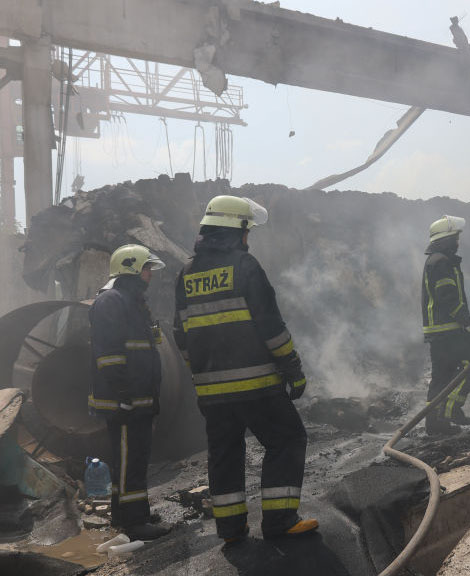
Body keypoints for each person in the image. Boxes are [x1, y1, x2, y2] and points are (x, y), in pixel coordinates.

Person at [173, 195, 317, 544]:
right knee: (287, 439)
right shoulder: (245, 266)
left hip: (211, 392)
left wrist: (202, 377)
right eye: (247, 230)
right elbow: (271, 328)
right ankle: (280, 520)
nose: (248, 237)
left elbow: (181, 336)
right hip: (257, 386)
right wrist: (293, 368)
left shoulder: (186, 274)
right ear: (237, 230)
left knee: (225, 453)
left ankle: (231, 529)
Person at [89, 244, 171, 541]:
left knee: (132, 458)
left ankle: (128, 513)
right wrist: (122, 392)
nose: (150, 274)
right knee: (129, 459)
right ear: (132, 268)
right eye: (146, 268)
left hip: (138, 398)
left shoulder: (132, 301)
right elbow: (109, 354)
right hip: (125, 400)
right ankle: (134, 522)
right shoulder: (112, 301)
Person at [421, 215, 470, 435]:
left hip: (441, 332)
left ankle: (435, 424)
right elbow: (448, 297)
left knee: (441, 378)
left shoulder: (436, 260)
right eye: (455, 238)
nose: (458, 242)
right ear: (446, 239)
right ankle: (450, 412)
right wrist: (467, 324)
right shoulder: (441, 262)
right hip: (448, 330)